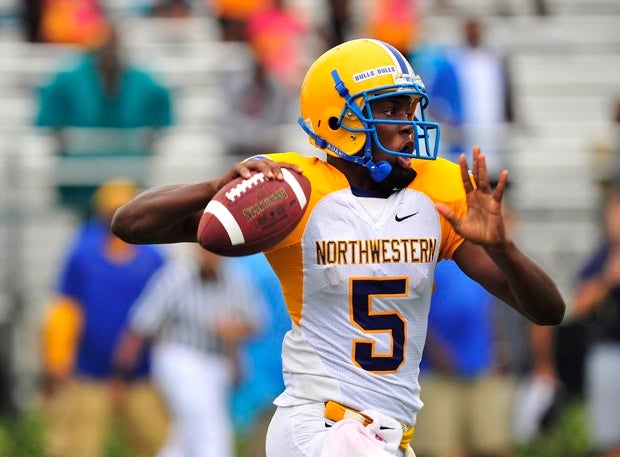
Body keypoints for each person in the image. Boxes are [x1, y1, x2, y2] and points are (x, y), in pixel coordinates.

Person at [110, 38, 566, 457]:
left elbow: (547, 310)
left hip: (386, 434)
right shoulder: (294, 190)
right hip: (321, 426)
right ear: (339, 119)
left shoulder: (440, 190)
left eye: (410, 109)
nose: (407, 126)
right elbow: (129, 224)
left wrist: (504, 248)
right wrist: (211, 187)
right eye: (390, 109)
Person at [40, 178, 169, 457]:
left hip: (141, 375)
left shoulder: (153, 257)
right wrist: (57, 358)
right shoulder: (83, 253)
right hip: (89, 373)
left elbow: (166, 314)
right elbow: (66, 309)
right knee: (76, 446)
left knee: (159, 445)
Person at [112, 245, 263, 457]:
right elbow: (141, 323)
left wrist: (234, 329)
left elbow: (256, 321)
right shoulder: (177, 275)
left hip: (217, 363)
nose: (211, 255)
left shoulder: (235, 277)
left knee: (186, 437)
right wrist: (120, 373)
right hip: (180, 356)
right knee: (211, 432)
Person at [33, 23, 174, 218]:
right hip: (82, 182)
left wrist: (147, 139)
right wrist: (65, 142)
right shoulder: (69, 79)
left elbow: (161, 115)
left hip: (128, 176)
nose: (109, 51)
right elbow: (49, 118)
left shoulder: (142, 81)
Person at [413, 259, 517, 457]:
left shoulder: (479, 257)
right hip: (434, 372)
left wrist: (501, 346)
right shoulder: (426, 254)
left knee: (493, 445)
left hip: (482, 366)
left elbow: (490, 306)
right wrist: (433, 350)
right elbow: (409, 308)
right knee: (442, 449)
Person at [571, 180, 620, 457]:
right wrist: (608, 281)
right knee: (611, 438)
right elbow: (578, 305)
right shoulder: (601, 258)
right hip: (609, 352)